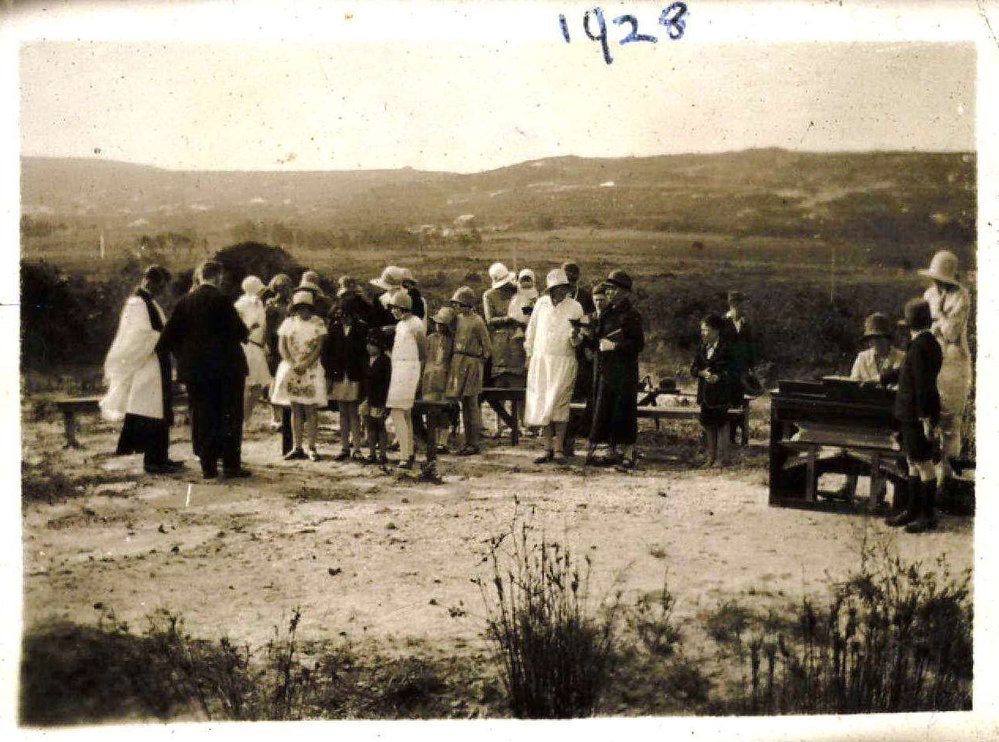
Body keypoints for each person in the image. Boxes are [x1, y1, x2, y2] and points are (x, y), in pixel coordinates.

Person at [158, 260, 250, 480]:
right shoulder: (222, 300)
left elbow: (166, 340)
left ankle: (207, 466)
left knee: (202, 416)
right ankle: (230, 465)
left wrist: (185, 358)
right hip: (227, 369)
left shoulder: (184, 302)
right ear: (218, 277)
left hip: (196, 372)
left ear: (199, 277)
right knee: (229, 416)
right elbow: (240, 333)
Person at [100, 265, 182, 474]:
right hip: (146, 364)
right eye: (160, 286)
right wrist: (164, 335)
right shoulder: (136, 303)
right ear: (148, 281)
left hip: (156, 361)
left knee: (159, 411)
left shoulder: (149, 302)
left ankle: (161, 456)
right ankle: (153, 461)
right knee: (151, 411)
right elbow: (137, 334)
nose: (162, 291)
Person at [880, 299, 943, 533]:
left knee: (923, 464)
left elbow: (923, 386)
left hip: (918, 414)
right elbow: (909, 373)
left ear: (909, 325)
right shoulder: (926, 344)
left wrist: (926, 419)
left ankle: (927, 515)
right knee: (913, 462)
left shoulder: (920, 347)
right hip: (912, 413)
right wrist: (886, 377)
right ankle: (913, 510)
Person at [834, 312, 906, 500]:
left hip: (888, 415)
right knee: (851, 438)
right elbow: (853, 383)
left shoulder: (901, 358)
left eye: (880, 338)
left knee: (882, 445)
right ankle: (849, 485)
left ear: (888, 339)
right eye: (872, 339)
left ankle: (878, 489)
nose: (876, 343)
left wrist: (879, 386)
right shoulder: (862, 357)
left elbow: (899, 387)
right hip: (864, 412)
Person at [919, 250, 973, 498]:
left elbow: (951, 333)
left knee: (950, 417)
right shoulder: (929, 294)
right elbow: (926, 328)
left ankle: (946, 475)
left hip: (953, 361)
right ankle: (927, 473)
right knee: (929, 415)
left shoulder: (961, 296)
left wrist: (938, 318)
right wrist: (936, 325)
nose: (937, 283)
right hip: (933, 356)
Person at [525, 268, 585, 464]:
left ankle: (559, 449)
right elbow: (531, 331)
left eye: (563, 288)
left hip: (564, 360)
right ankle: (547, 448)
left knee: (559, 403)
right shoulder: (541, 304)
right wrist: (529, 354)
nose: (560, 292)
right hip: (541, 360)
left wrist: (576, 337)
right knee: (542, 403)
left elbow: (578, 338)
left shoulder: (575, 307)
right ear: (550, 289)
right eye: (556, 289)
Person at [587, 270, 645, 470]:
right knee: (607, 409)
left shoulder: (632, 315)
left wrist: (616, 347)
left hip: (625, 371)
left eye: (613, 289)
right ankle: (611, 450)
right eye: (608, 289)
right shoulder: (607, 313)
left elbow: (638, 344)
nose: (609, 292)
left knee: (625, 410)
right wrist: (585, 338)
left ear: (624, 292)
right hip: (607, 370)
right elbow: (597, 337)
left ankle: (629, 452)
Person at [271, 291, 328, 462]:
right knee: (295, 408)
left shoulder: (318, 322)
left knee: (310, 409)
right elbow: (282, 346)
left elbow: (318, 347)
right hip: (292, 368)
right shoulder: (288, 322)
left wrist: (306, 363)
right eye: (300, 308)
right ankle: (297, 447)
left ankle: (312, 447)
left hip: (311, 369)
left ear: (311, 308)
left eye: (306, 308)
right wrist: (292, 363)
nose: (303, 311)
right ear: (295, 308)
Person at [322, 294, 370, 461]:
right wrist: (330, 375)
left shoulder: (362, 329)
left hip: (355, 376)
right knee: (343, 412)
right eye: (340, 316)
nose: (343, 319)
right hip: (339, 375)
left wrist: (364, 377)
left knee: (354, 412)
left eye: (346, 315)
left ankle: (356, 448)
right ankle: (344, 447)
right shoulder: (334, 329)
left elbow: (364, 356)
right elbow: (327, 355)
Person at [446, 286, 492, 455]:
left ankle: (474, 442)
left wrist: (477, 362)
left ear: (465, 304)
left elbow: (487, 347)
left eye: (457, 304)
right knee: (462, 403)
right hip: (458, 363)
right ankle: (465, 440)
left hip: (472, 363)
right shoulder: (457, 319)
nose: (455, 307)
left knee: (471, 403)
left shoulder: (477, 321)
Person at [483, 263, 527, 437]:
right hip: (499, 344)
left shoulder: (518, 293)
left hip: (517, 343)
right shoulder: (488, 295)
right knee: (499, 386)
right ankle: (499, 425)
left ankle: (518, 423)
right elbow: (490, 320)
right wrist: (509, 319)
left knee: (517, 384)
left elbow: (528, 313)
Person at [386, 290, 427, 470]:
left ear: (402, 308)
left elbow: (422, 353)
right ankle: (408, 453)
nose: (392, 311)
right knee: (404, 413)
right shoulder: (401, 324)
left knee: (397, 412)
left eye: (394, 308)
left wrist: (420, 376)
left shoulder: (415, 323)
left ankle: (404, 455)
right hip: (399, 369)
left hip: (409, 370)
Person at [690, 314, 734, 468]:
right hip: (705, 395)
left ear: (716, 331)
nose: (703, 333)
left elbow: (733, 371)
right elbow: (693, 369)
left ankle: (723, 459)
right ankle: (711, 457)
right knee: (708, 425)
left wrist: (719, 377)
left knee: (721, 424)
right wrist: (701, 373)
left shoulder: (726, 348)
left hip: (721, 394)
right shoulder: (702, 348)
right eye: (702, 330)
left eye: (706, 330)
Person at [420, 305, 457, 479]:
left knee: (444, 411)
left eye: (442, 324)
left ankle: (443, 440)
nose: (438, 326)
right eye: (436, 323)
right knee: (429, 408)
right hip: (429, 376)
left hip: (444, 377)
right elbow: (424, 357)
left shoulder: (452, 341)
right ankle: (432, 440)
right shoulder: (429, 339)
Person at [234, 275, 273, 423]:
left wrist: (264, 344)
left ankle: (246, 418)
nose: (261, 293)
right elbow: (236, 327)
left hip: (258, 347)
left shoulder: (259, 304)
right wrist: (249, 328)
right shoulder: (240, 304)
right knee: (246, 385)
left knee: (258, 386)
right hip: (246, 346)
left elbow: (262, 326)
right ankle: (242, 420)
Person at [722, 290, 757, 444]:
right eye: (736, 303)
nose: (740, 306)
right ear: (731, 304)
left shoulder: (745, 323)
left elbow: (750, 347)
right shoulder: (723, 322)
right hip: (727, 370)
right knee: (726, 401)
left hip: (741, 371)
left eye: (741, 303)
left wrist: (751, 367)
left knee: (738, 401)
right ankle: (726, 437)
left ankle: (734, 438)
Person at [264, 273, 293, 429]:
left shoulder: (291, 305)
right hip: (275, 344)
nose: (284, 291)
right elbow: (268, 329)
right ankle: (275, 417)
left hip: (289, 343)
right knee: (276, 379)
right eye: (281, 288)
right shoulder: (271, 305)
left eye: (286, 288)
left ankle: (287, 416)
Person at [360, 329, 392, 466]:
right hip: (367, 398)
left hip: (379, 399)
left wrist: (385, 402)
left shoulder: (385, 361)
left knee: (380, 426)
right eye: (368, 344)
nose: (369, 347)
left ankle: (383, 454)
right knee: (369, 426)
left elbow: (386, 383)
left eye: (372, 344)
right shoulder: (366, 360)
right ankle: (372, 453)